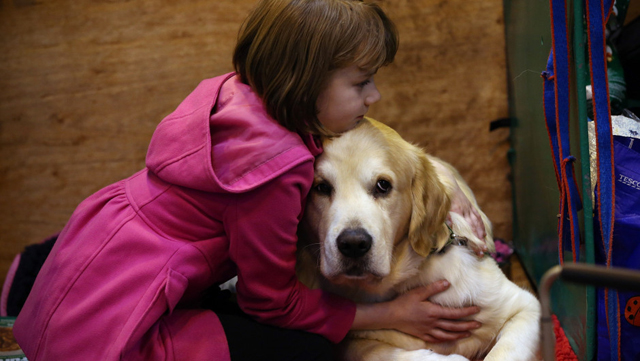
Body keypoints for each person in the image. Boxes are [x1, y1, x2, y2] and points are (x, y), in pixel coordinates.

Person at [14, 0, 485, 360]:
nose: (374, 95)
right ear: (307, 84)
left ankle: (25, 271)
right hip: (117, 342)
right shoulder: (276, 170)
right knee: (311, 349)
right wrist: (389, 314)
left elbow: (375, 154)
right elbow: (273, 305)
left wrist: (439, 178)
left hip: (71, 290)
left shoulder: (232, 93)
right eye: (361, 82)